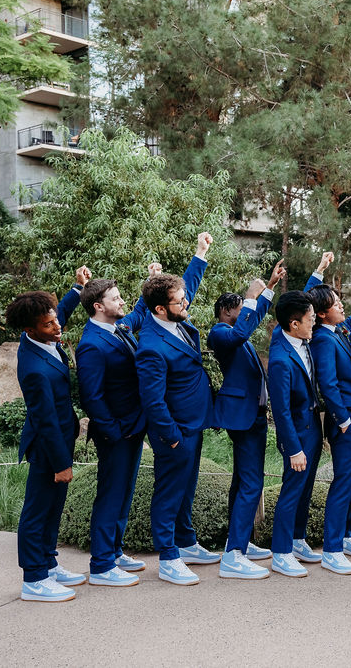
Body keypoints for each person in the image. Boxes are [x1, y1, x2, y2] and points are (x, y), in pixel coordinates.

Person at [76, 260, 168, 588]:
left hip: (133, 426)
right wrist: (113, 430)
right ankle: (101, 565)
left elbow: (142, 309)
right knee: (111, 494)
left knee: (125, 491)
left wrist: (153, 279)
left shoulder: (119, 328)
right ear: (99, 306)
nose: (122, 302)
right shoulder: (90, 345)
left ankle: (114, 550)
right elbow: (92, 396)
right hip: (115, 432)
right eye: (116, 299)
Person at [136, 232, 220, 585]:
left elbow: (186, 288)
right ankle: (168, 557)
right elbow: (153, 400)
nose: (186, 303)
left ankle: (186, 542)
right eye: (179, 301)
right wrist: (169, 437)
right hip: (174, 430)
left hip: (194, 422)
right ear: (159, 309)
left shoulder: (177, 321)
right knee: (169, 491)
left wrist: (200, 255)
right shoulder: (151, 346)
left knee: (187, 487)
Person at [9, 266, 90, 602]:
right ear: (30, 329)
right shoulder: (34, 369)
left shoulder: (45, 334)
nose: (58, 327)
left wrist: (77, 287)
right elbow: (44, 421)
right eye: (49, 324)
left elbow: (61, 313)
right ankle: (34, 578)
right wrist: (61, 463)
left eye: (56, 320)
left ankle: (49, 563)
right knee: (38, 509)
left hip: (60, 438)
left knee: (54, 507)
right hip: (47, 446)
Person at [208, 260, 285, 580]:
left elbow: (251, 321)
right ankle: (234, 554)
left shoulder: (234, 329)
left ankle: (237, 541)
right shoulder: (220, 333)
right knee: (252, 483)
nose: (248, 314)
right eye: (242, 307)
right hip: (242, 416)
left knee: (242, 480)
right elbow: (244, 330)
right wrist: (253, 295)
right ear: (228, 311)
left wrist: (267, 287)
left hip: (251, 415)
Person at [305, 254, 351, 573]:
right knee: (344, 482)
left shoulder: (341, 331)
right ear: (322, 314)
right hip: (346, 423)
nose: (342, 307)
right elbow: (328, 384)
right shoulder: (322, 339)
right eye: (336, 304)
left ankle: (346, 534)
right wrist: (344, 419)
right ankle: (332, 548)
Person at [267, 291, 323, 578]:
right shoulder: (279, 359)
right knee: (291, 492)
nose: (314, 323)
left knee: (305, 490)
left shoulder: (301, 339)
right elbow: (281, 411)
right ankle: (281, 553)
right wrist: (293, 449)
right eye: (310, 319)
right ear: (293, 324)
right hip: (297, 436)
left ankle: (298, 541)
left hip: (313, 428)